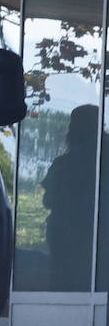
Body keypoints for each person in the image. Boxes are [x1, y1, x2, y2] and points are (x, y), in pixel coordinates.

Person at [42, 104, 99, 291]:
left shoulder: (63, 164)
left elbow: (47, 200)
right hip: (91, 234)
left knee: (64, 282)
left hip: (67, 233)